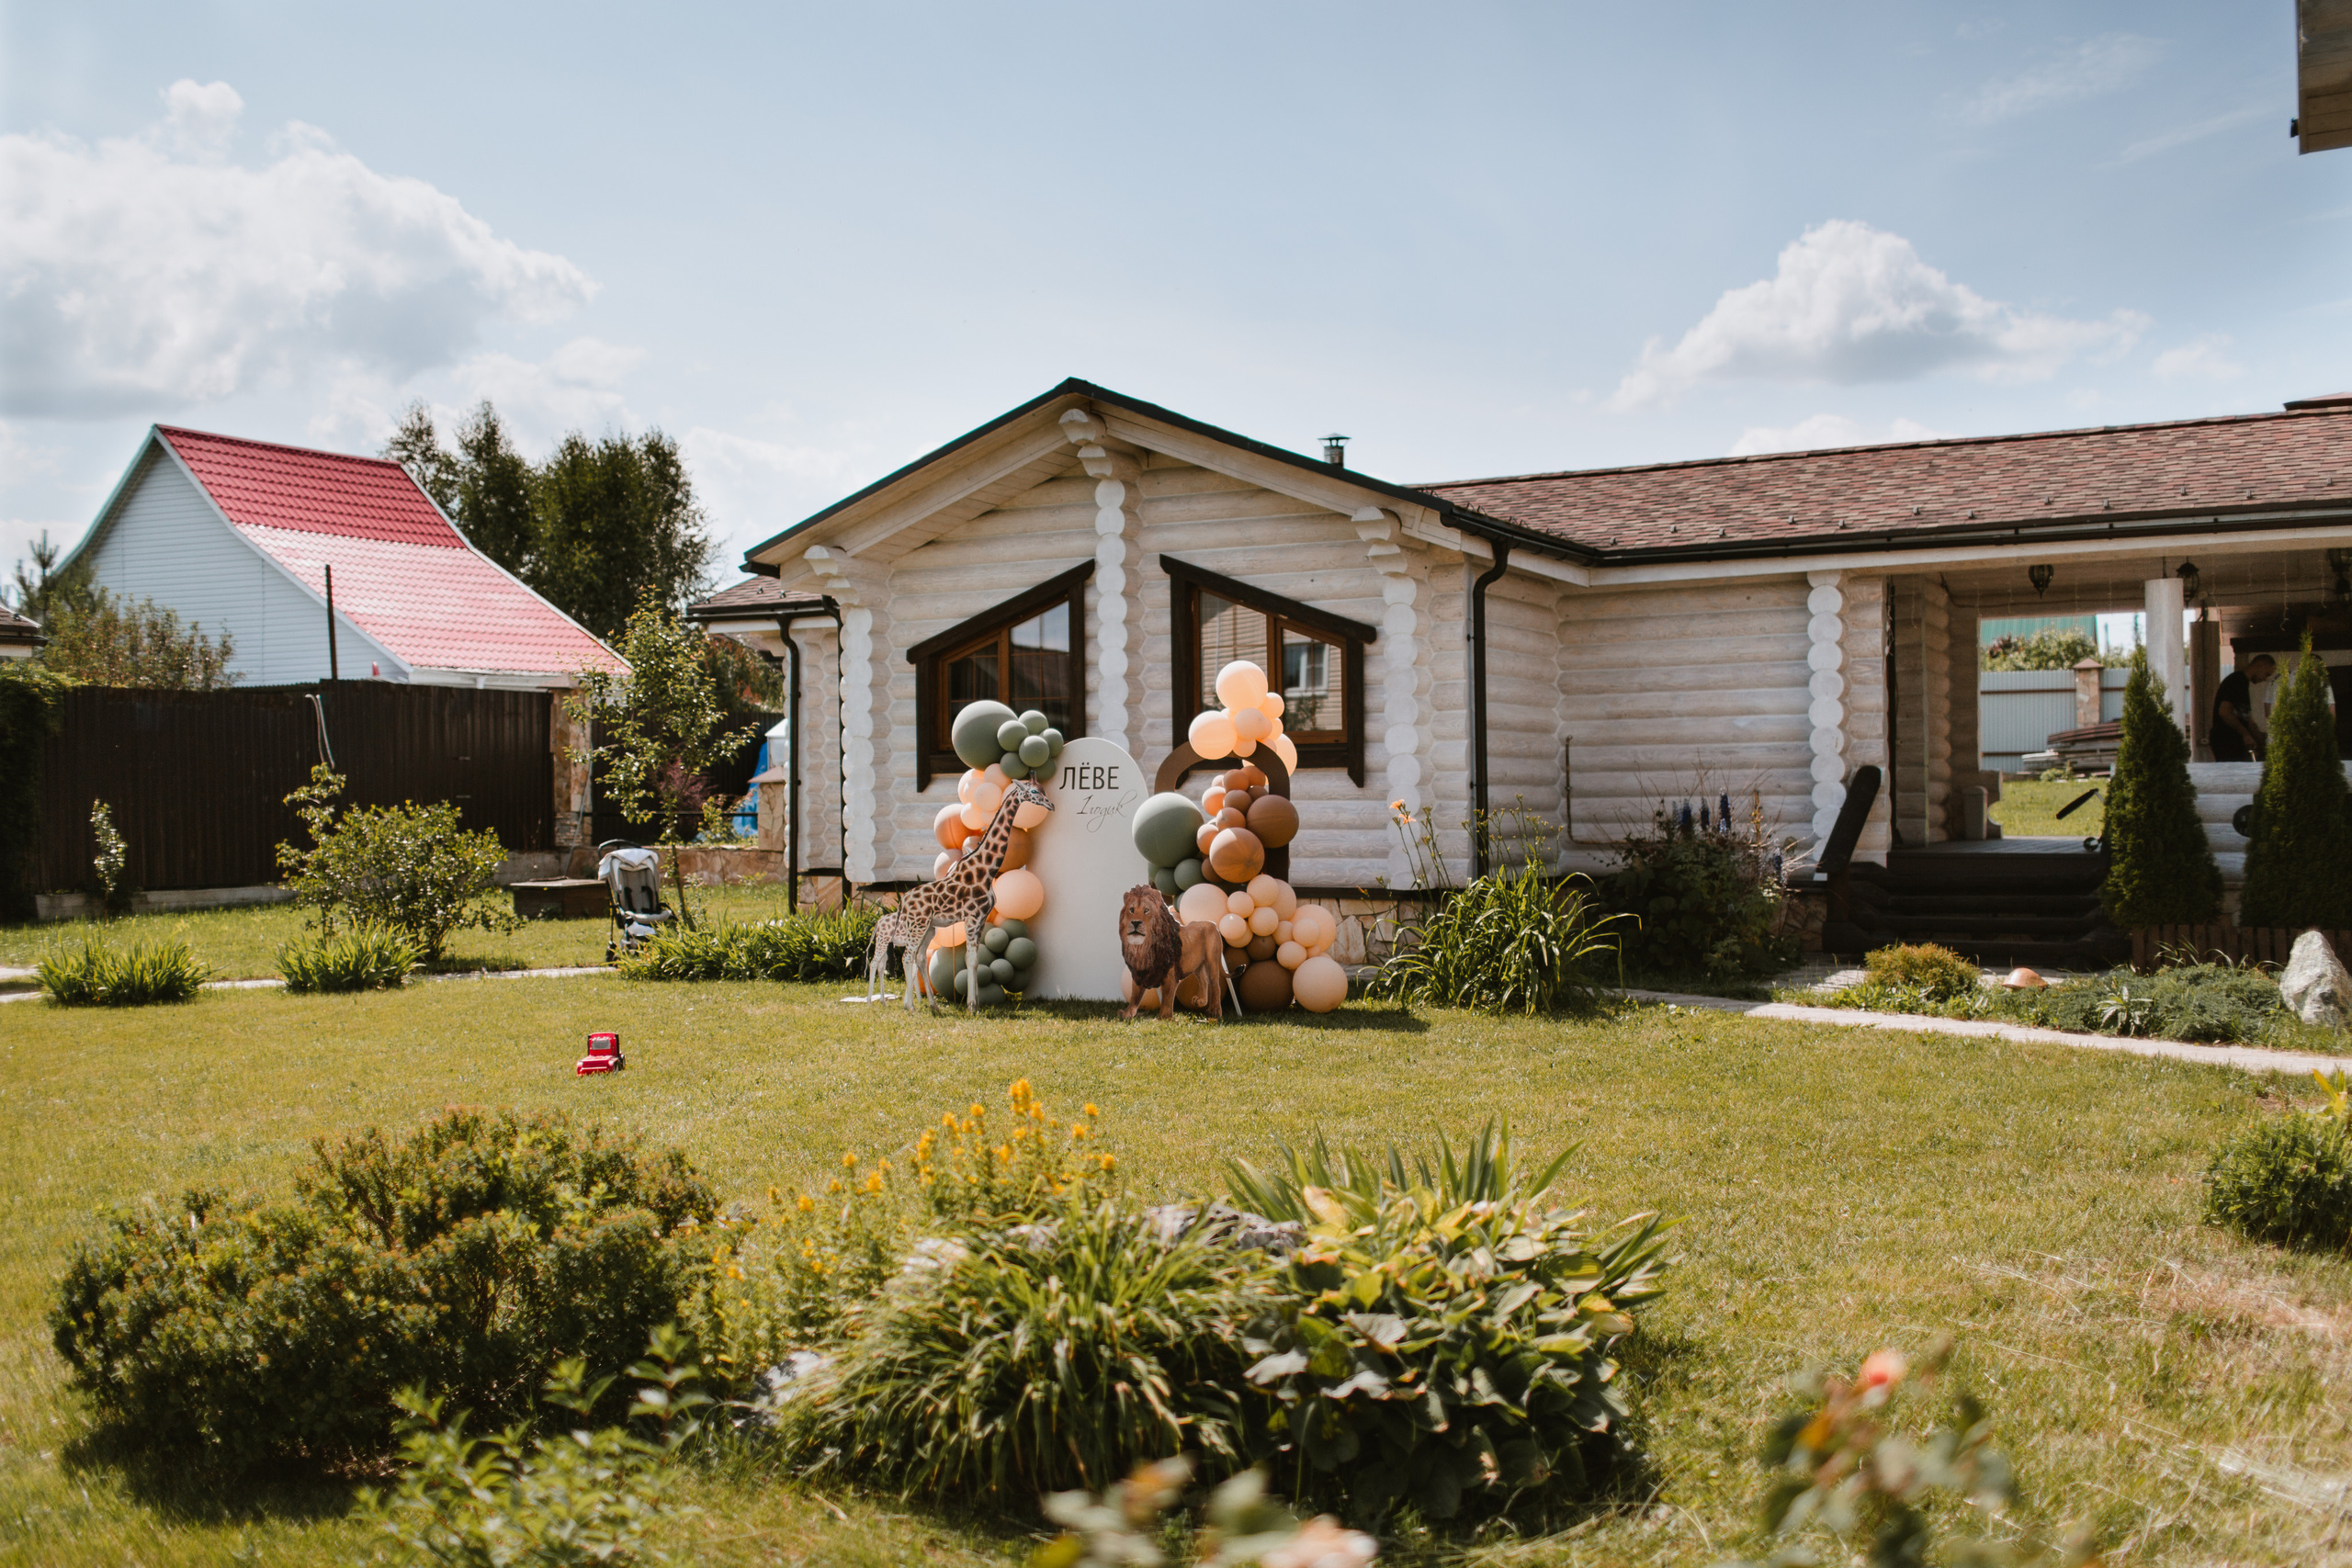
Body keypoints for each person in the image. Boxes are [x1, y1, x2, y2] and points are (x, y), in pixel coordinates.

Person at [2210, 653, 2275, 761]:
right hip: (2227, 740)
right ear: (2261, 665)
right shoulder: (2237, 681)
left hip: (2233, 741)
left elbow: (2246, 717)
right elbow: (2225, 712)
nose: (2265, 679)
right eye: (2267, 674)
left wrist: (2260, 737)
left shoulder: (2242, 682)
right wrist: (2245, 734)